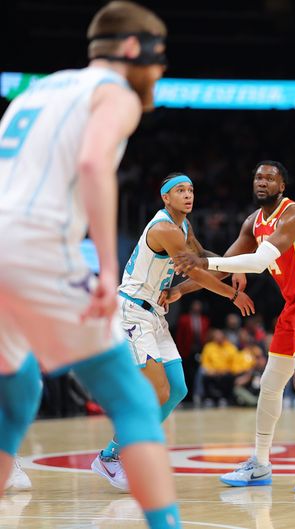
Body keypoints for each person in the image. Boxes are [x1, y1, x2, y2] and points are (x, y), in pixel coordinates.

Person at [0, 2, 186, 527]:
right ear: (132, 49)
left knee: (18, 394)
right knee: (133, 401)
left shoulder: (36, 91)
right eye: (159, 56)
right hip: (38, 247)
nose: (161, 69)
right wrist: (107, 267)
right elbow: (90, 163)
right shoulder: (115, 93)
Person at [168, 160, 295, 493]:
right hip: (292, 306)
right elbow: (224, 269)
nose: (262, 181)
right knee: (269, 385)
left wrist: (203, 260)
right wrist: (179, 290)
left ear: (282, 186)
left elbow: (256, 263)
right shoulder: (253, 223)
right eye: (258, 176)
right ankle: (260, 463)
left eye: (270, 178)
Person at [92, 173, 254, 489]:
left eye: (191, 189)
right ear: (165, 197)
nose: (187, 195)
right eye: (180, 190)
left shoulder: (184, 227)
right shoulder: (164, 228)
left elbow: (203, 259)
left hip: (157, 313)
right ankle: (112, 456)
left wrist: (235, 266)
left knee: (177, 389)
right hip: (133, 310)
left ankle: (125, 451)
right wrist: (232, 294)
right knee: (157, 391)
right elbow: (196, 270)